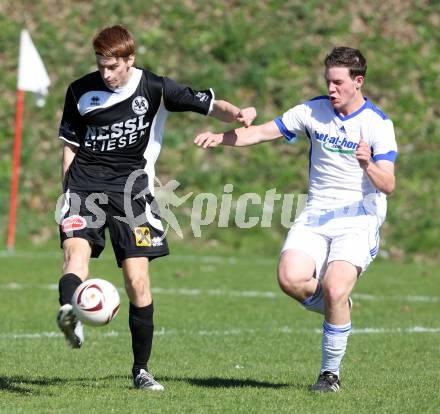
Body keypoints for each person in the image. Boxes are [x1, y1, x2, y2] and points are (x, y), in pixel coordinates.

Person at [56, 25, 256, 391]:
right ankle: (71, 311)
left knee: (137, 281)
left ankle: (141, 370)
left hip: (131, 192)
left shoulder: (155, 88)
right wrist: (66, 189)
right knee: (75, 258)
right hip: (84, 187)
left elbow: (210, 105)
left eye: (113, 66)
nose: (106, 74)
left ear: (130, 59)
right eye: (101, 66)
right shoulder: (79, 91)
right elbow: (70, 145)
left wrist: (238, 113)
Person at [194, 47, 397, 392]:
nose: (331, 89)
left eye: (338, 82)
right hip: (317, 212)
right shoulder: (312, 111)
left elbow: (388, 185)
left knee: (333, 285)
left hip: (358, 218)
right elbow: (259, 132)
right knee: (290, 278)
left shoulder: (377, 124)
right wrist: (222, 138)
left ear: (358, 81)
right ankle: (339, 306)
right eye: (327, 81)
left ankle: (329, 375)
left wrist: (368, 165)